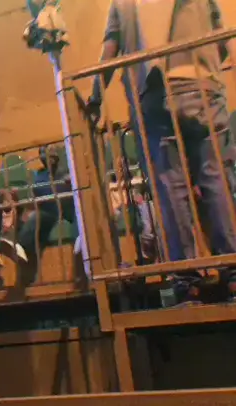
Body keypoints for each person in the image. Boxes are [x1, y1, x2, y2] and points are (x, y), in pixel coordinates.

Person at [88, 0, 236, 304]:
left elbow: (109, 53)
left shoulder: (122, 2)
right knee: (216, 178)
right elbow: (224, 42)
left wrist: (94, 99)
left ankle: (186, 283)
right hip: (202, 83)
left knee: (170, 190)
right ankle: (233, 272)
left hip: (154, 92)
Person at [15, 145, 75, 288]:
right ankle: (25, 266)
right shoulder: (39, 175)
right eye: (43, 154)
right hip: (44, 210)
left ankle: (20, 246)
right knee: (29, 219)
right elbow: (34, 197)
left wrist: (69, 182)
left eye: (51, 153)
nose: (47, 157)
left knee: (37, 217)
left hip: (60, 212)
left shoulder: (65, 172)